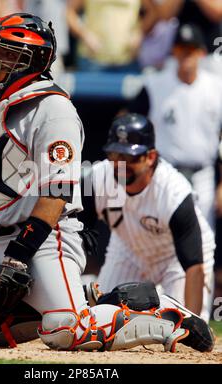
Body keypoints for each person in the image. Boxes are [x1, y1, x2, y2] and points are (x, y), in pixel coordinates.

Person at [0, 13, 204, 353]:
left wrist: (16, 258)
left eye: (8, 55)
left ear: (34, 62)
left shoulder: (52, 108)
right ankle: (39, 303)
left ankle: (157, 308)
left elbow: (56, 193)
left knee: (68, 331)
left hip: (43, 239)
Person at [81, 113, 215, 323]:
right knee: (102, 321)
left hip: (175, 258)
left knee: (178, 325)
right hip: (127, 250)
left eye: (129, 157)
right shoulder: (98, 178)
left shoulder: (173, 192)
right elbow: (74, 234)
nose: (120, 164)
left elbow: (194, 265)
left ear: (150, 157)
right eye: (115, 155)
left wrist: (193, 323)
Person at [127, 23, 222, 231]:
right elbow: (127, 124)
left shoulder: (216, 87)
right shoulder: (155, 84)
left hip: (203, 175)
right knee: (161, 241)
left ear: (201, 52)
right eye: (181, 48)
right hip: (164, 173)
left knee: (203, 244)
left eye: (191, 49)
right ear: (173, 51)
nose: (186, 54)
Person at [66, 0, 156, 72]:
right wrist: (85, 35)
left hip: (128, 59)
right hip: (92, 60)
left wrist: (139, 33)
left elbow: (152, 12)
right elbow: (69, 12)